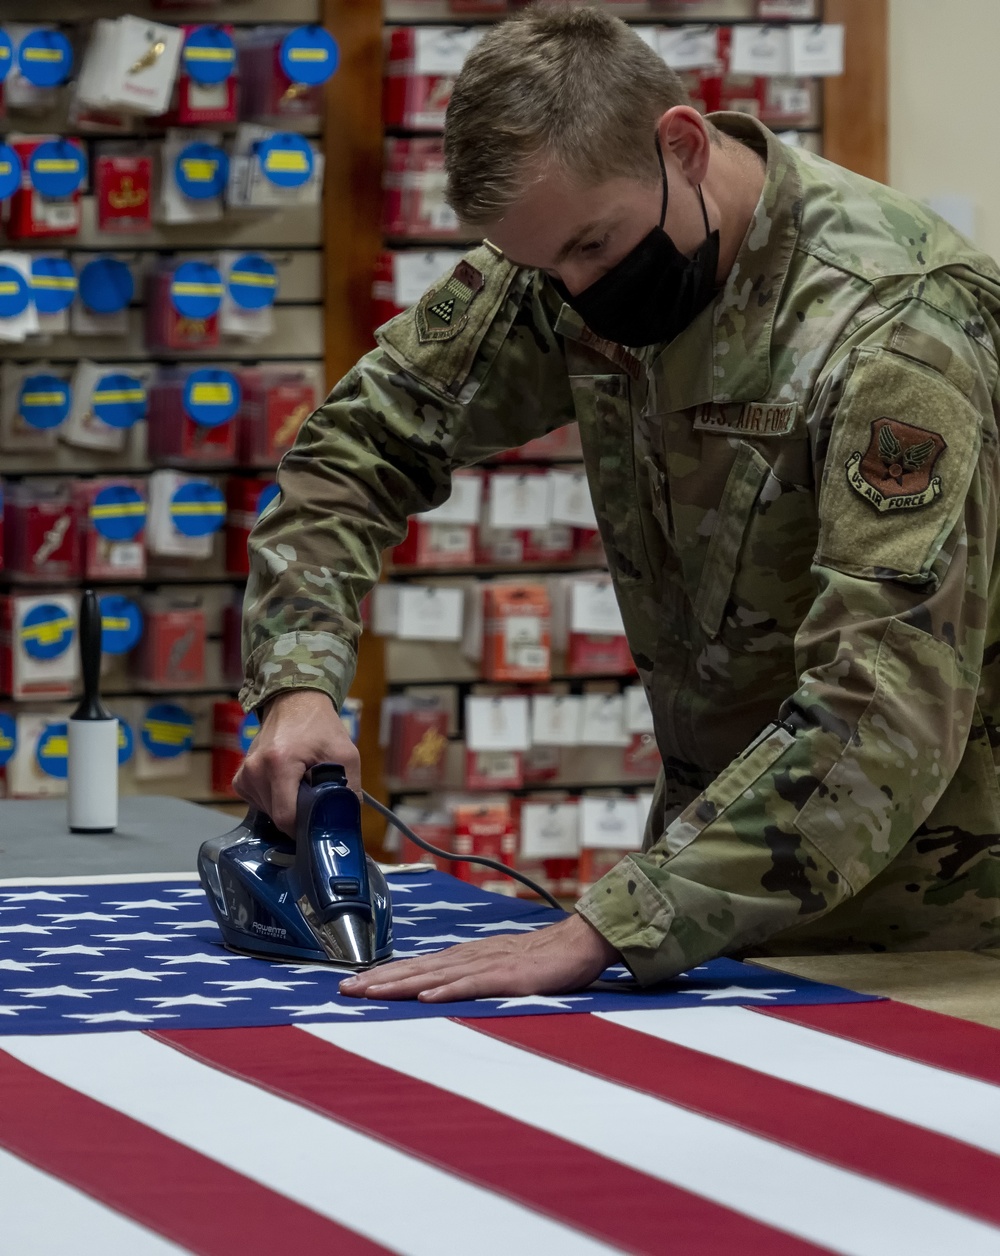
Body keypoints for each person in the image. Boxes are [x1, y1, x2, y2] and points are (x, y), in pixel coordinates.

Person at [235, 6, 1000, 1004]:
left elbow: (886, 703)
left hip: (933, 940)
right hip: (707, 922)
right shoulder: (565, 252)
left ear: (680, 145)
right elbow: (356, 447)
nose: (576, 292)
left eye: (593, 249)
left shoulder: (898, 326)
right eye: (546, 268)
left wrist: (617, 920)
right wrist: (297, 684)